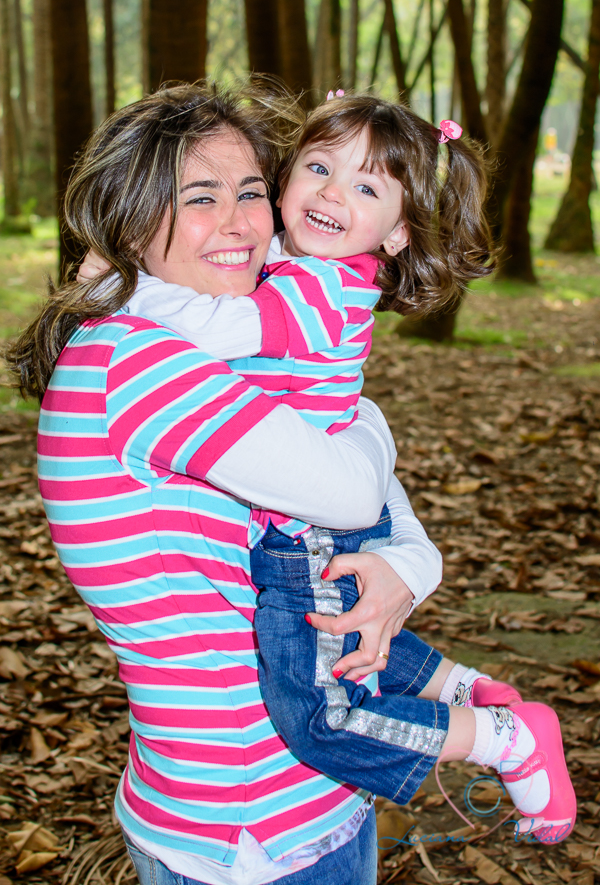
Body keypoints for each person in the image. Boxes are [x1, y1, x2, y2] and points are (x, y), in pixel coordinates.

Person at [75, 86, 576, 854]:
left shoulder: (316, 284)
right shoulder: (139, 362)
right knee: (328, 635)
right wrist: (407, 546)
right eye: (316, 168)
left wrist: (120, 287)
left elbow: (347, 466)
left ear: (398, 230)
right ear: (133, 205)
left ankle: (497, 735)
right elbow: (354, 465)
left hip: (292, 807)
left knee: (321, 692)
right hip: (243, 829)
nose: (241, 222)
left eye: (248, 192)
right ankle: (467, 696)